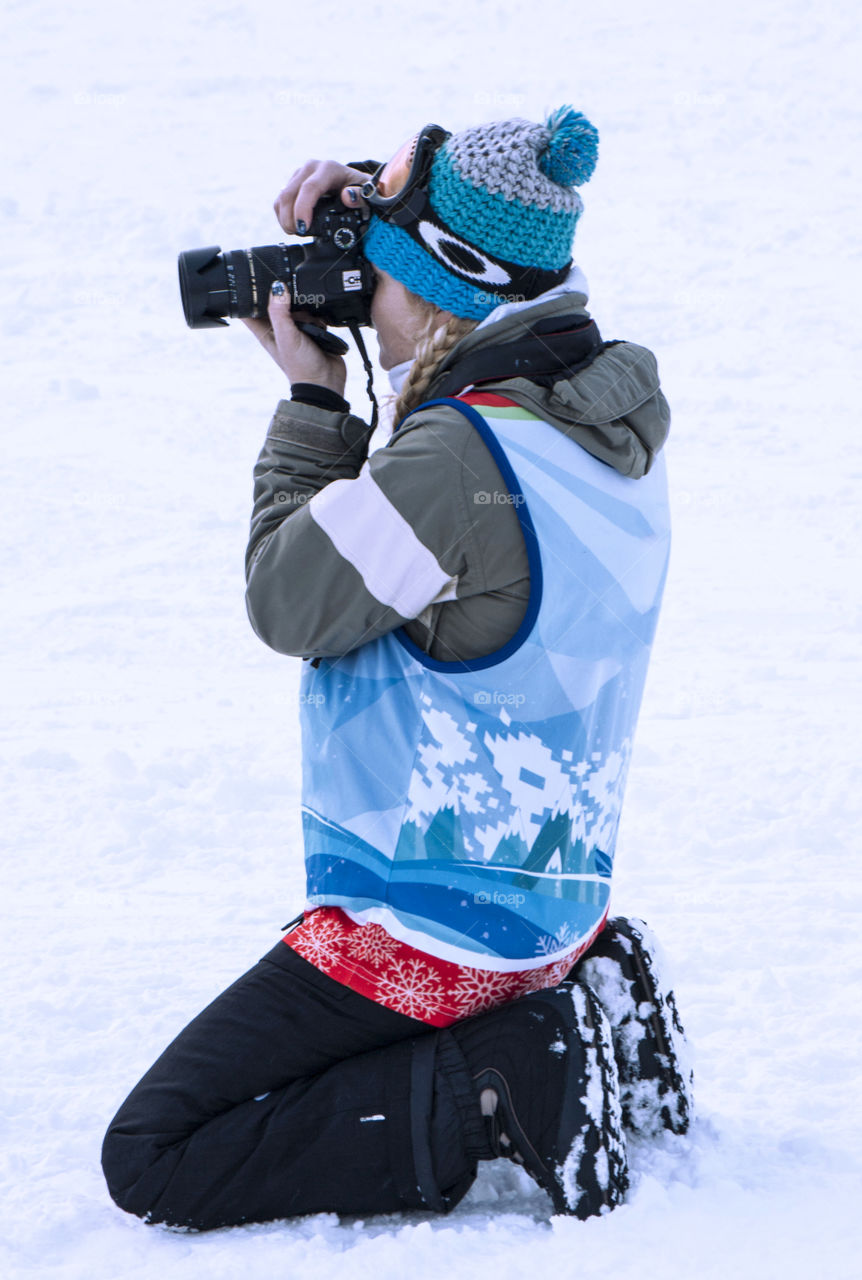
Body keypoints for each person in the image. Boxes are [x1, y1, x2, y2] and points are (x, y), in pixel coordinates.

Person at [101, 107, 692, 1231]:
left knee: (156, 1150)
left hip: (431, 926)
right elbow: (474, 239)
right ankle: (595, 995)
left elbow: (289, 598)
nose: (362, 301)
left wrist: (317, 404)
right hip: (548, 901)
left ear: (445, 286)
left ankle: (510, 1076)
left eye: (377, 274)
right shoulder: (591, 415)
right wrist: (378, 191)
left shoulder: (456, 464)